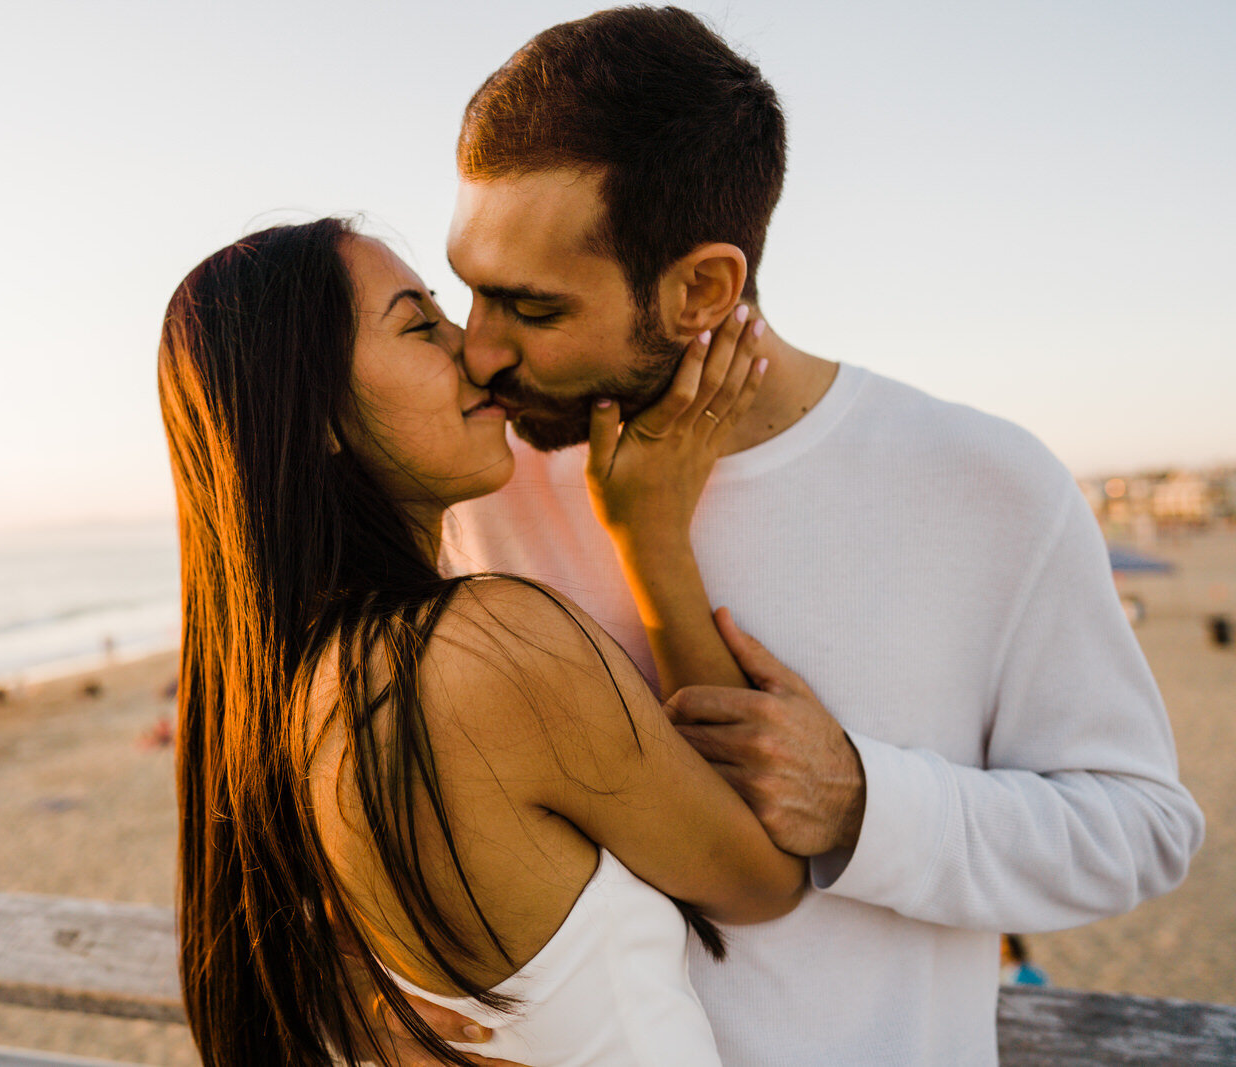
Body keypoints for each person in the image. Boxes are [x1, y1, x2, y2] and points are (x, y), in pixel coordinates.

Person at [372, 7, 1201, 1066]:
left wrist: (864, 799)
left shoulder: (984, 483)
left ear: (701, 289)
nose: (478, 351)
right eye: (468, 287)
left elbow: (1140, 829)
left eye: (530, 309)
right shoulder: (485, 484)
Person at [158, 216, 806, 1066]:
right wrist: (652, 540)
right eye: (420, 325)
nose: (474, 349)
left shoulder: (291, 693)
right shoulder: (486, 649)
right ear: (313, 412)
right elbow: (763, 879)